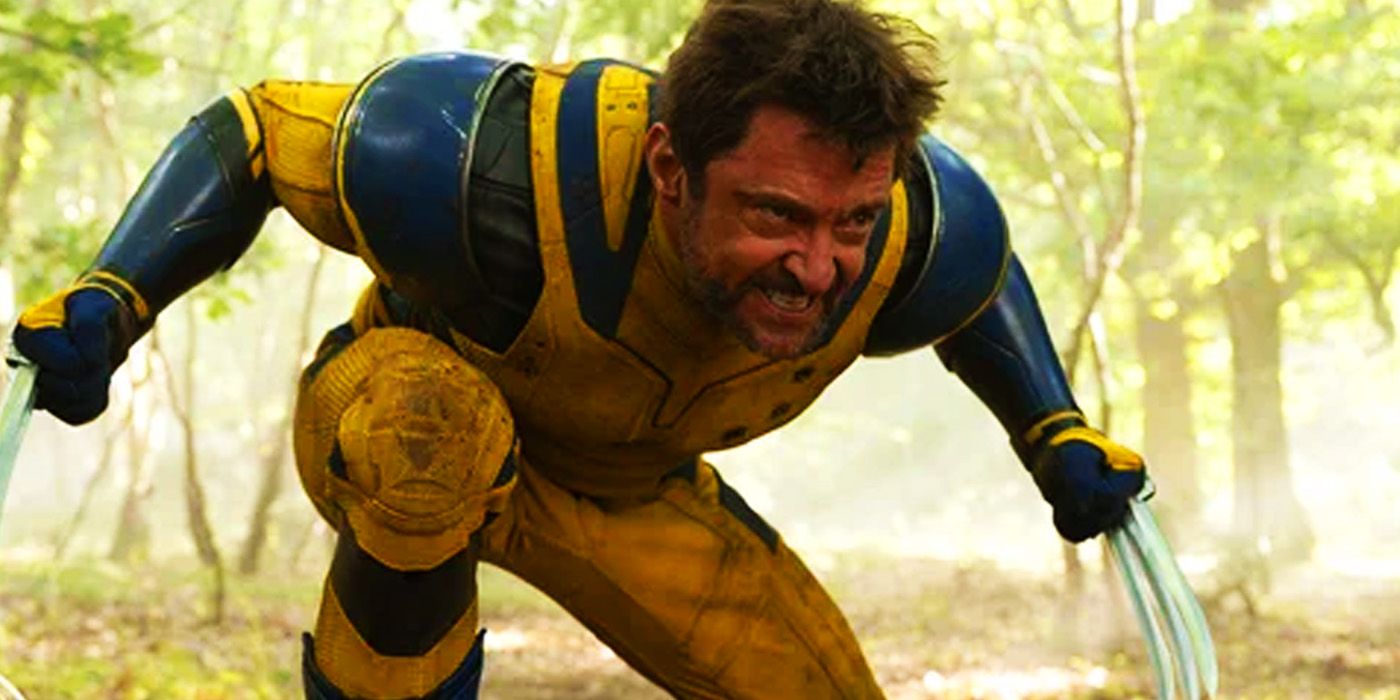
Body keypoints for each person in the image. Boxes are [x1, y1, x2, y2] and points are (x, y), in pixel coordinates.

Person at [9, 0, 1147, 697]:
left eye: (849, 220)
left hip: (628, 486)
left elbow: (977, 287)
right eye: (775, 216)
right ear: (668, 167)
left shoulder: (922, 232)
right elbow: (257, 129)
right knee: (429, 432)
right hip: (409, 406)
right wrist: (117, 293)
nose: (818, 266)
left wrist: (1053, 429)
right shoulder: (471, 162)